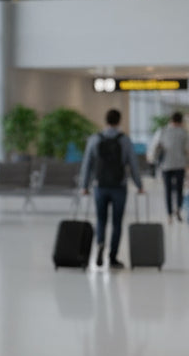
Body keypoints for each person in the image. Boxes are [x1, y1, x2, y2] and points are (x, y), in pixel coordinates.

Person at [79, 108, 144, 270]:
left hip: (100, 186)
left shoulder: (94, 139)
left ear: (105, 121)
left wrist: (84, 186)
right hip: (119, 187)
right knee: (117, 223)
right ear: (119, 121)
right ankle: (113, 257)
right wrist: (139, 185)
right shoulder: (124, 140)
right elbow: (133, 165)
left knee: (101, 220)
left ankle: (100, 244)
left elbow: (87, 163)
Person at [148, 111, 189, 223]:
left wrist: (153, 160)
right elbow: (187, 150)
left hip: (166, 165)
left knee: (168, 190)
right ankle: (179, 210)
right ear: (181, 121)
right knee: (180, 189)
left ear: (171, 120)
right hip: (180, 165)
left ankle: (169, 215)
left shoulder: (162, 131)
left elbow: (155, 146)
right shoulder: (184, 133)